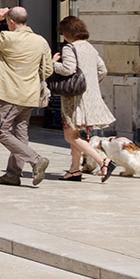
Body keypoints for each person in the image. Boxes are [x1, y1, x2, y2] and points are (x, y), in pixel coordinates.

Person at [0, 7, 54, 186]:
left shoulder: (7, 38)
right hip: (31, 94)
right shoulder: (40, 41)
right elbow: (48, 70)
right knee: (20, 133)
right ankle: (12, 174)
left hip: (12, 93)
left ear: (10, 21)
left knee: (2, 132)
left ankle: (35, 160)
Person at [53, 16, 117, 182]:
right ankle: (74, 170)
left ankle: (103, 161)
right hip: (88, 97)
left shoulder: (69, 48)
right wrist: (91, 85)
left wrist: (52, 64)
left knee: (70, 136)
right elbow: (102, 70)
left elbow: (68, 69)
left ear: (67, 32)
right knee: (76, 134)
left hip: (73, 99)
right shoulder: (90, 47)